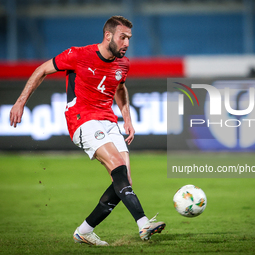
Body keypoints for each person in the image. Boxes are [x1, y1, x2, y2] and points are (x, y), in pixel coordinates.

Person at [10, 15, 165, 246]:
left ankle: (84, 231)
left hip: (109, 120)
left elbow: (120, 88)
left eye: (129, 38)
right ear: (108, 35)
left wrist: (127, 118)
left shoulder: (123, 64)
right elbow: (42, 70)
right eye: (123, 37)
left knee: (124, 180)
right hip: (82, 120)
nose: (126, 44)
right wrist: (21, 101)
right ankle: (143, 224)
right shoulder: (78, 55)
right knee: (118, 167)